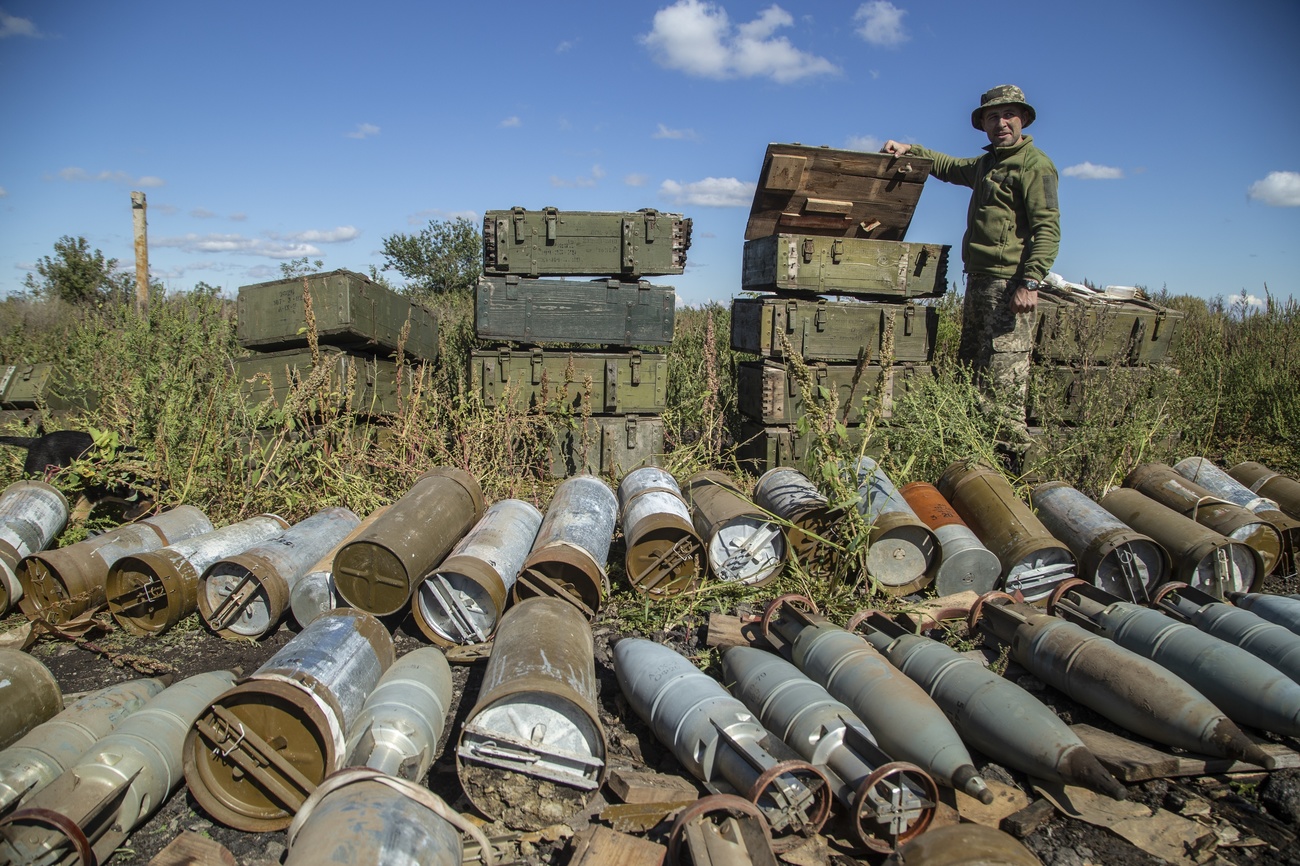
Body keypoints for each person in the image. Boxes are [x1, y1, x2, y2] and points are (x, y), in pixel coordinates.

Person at [881, 84, 1059, 454]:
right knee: (973, 374)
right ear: (983, 124)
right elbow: (948, 167)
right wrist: (911, 150)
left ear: (1023, 119)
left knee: (1004, 380)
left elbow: (1047, 227)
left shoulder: (1034, 164)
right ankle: (977, 461)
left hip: (1010, 286)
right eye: (993, 116)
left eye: (1008, 115)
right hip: (980, 283)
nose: (1001, 123)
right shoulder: (986, 165)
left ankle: (1018, 472)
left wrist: (1031, 281)